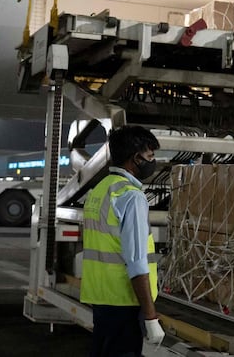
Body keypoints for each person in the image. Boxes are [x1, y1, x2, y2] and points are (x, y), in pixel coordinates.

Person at [81, 125, 165, 357]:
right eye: (150, 156)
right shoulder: (131, 196)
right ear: (136, 158)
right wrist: (150, 314)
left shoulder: (100, 190)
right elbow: (136, 261)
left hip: (101, 297)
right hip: (124, 300)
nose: (153, 161)